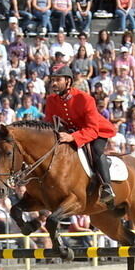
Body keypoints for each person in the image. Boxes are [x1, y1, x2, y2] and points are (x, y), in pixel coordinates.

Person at [43, 65, 118, 205]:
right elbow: (48, 124)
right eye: (52, 80)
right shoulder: (51, 100)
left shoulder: (85, 99)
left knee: (96, 151)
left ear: (68, 81)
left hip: (97, 131)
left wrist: (72, 137)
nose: (53, 83)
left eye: (57, 80)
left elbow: (92, 129)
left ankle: (107, 187)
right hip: (71, 132)